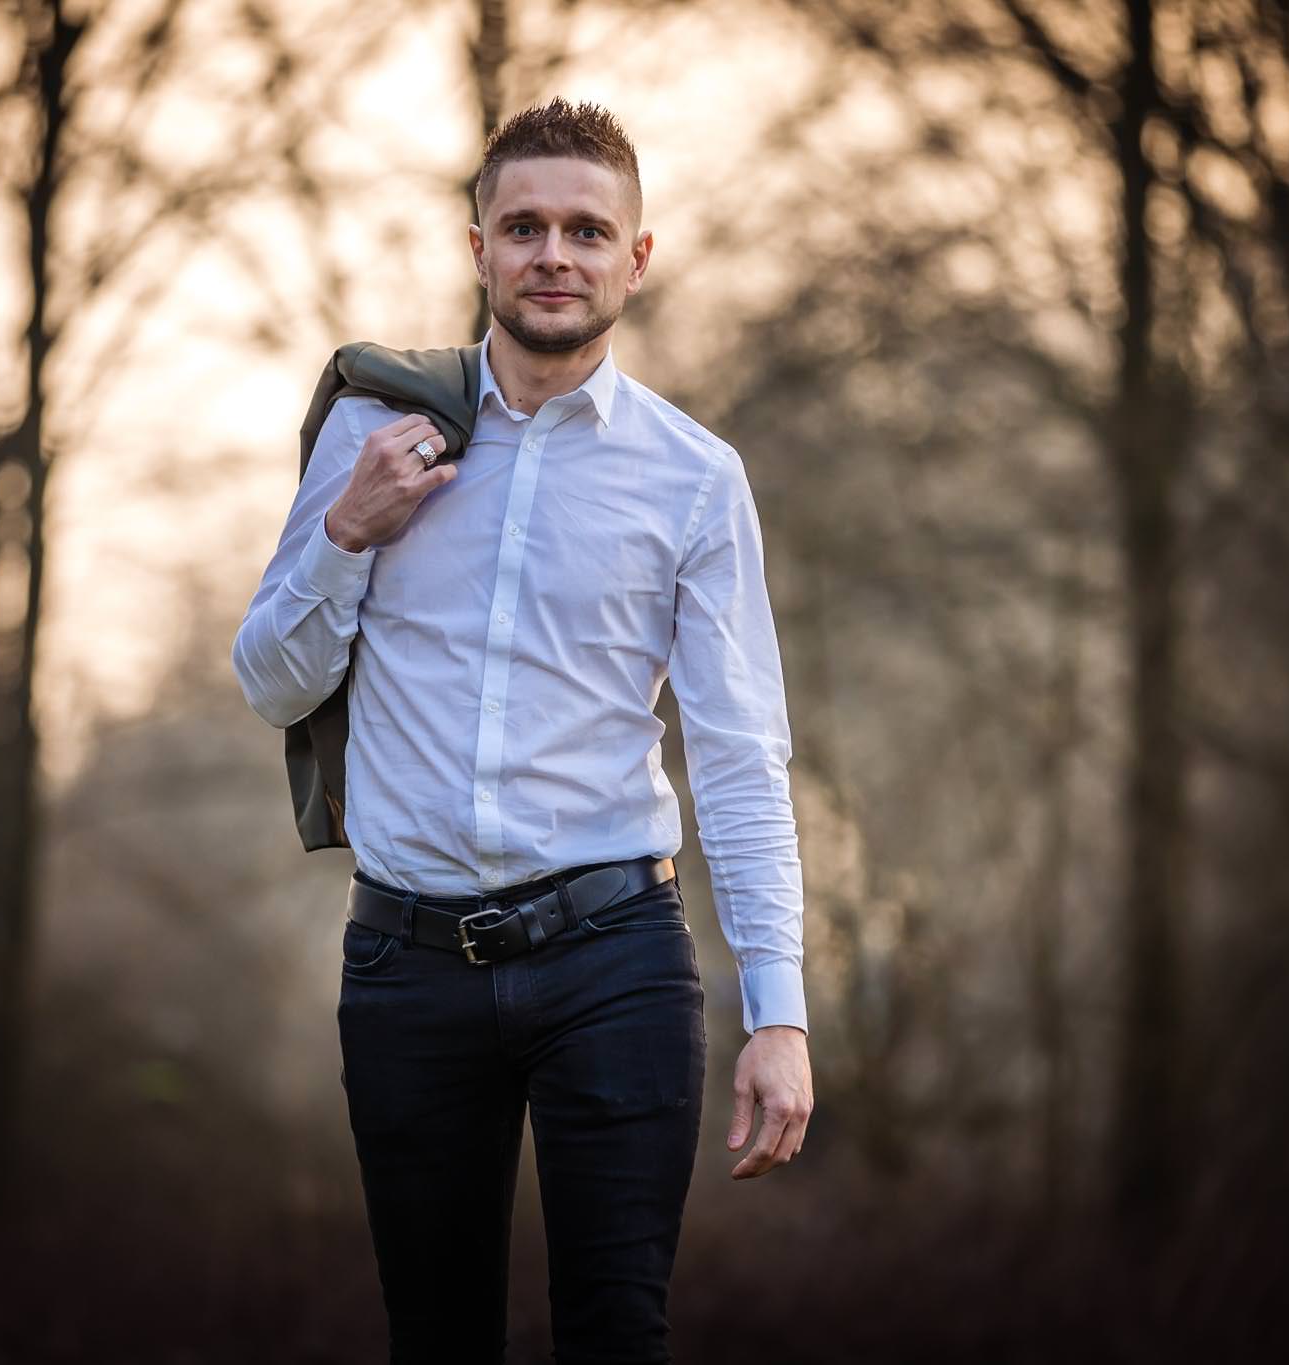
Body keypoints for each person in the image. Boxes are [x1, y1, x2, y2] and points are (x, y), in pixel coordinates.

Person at [232, 97, 812, 1364]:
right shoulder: (368, 433)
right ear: (478, 246)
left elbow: (737, 754)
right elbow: (270, 683)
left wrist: (779, 1012)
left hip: (615, 959)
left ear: (635, 259)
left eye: (587, 231)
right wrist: (347, 533)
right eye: (526, 226)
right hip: (405, 966)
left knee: (616, 1334)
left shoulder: (694, 477)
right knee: (434, 1339)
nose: (555, 253)